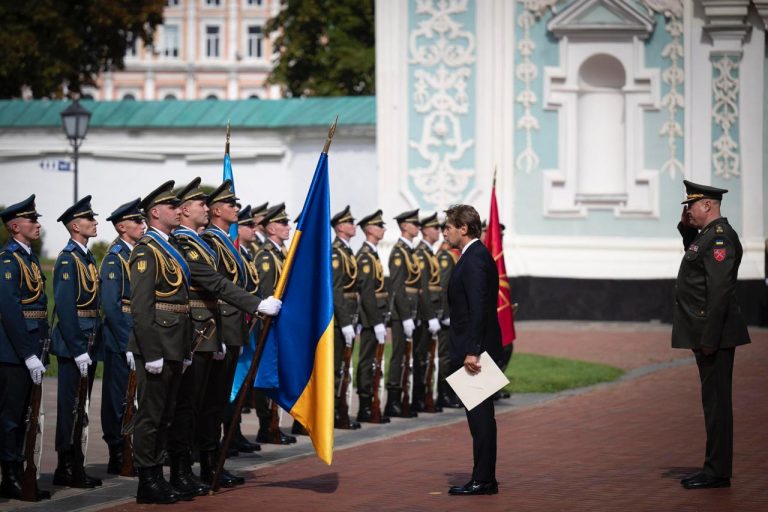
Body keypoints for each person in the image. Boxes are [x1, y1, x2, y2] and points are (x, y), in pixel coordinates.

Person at [674, 180, 750, 490]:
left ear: (707, 205)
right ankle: (713, 467)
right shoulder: (706, 237)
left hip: (714, 336)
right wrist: (686, 230)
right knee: (712, 403)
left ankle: (718, 472)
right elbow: (696, 262)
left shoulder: (720, 240)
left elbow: (718, 293)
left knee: (717, 403)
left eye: (690, 205)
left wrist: (709, 337)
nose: (687, 210)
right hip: (707, 333)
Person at [129, 180, 191, 504]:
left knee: (166, 414)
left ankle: (159, 476)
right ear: (155, 212)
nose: (179, 210)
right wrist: (151, 351)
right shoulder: (146, 251)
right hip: (156, 345)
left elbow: (181, 303)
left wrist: (186, 346)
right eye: (172, 206)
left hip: (176, 343)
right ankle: (147, 480)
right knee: (151, 416)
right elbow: (141, 308)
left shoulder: (173, 247)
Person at [443, 204, 502, 496]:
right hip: (473, 347)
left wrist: (473, 351)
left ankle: (483, 479)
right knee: (479, 416)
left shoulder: (475, 259)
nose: (445, 232)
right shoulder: (472, 256)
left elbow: (479, 309)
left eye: (449, 227)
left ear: (463, 229)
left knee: (480, 417)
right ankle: (484, 476)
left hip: (475, 353)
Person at [0, 195, 51, 501]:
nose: (38, 224)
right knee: (10, 417)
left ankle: (18, 473)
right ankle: (9, 475)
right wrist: (27, 353)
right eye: (32, 220)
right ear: (15, 226)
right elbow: (10, 310)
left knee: (25, 416)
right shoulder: (8, 260)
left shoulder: (28, 257)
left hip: (32, 347)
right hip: (12, 352)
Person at [51, 195, 103, 489]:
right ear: (74, 225)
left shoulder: (87, 256)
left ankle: (76, 463)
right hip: (75, 345)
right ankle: (65, 465)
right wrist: (77, 349)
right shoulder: (67, 259)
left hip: (89, 341)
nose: (95, 222)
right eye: (89, 219)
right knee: (70, 405)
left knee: (80, 406)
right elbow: (66, 308)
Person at [99, 198, 145, 475]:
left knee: (133, 398)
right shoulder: (115, 257)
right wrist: (128, 342)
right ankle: (117, 452)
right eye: (136, 221)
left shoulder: (135, 253)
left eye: (142, 220)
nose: (142, 225)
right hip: (120, 339)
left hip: (136, 335)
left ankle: (130, 448)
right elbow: (113, 306)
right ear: (121, 226)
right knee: (117, 398)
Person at [253, 203, 298, 443]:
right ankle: (266, 425)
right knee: (268, 372)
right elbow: (267, 293)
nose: (287, 227)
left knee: (277, 371)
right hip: (268, 323)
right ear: (270, 227)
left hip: (281, 323)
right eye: (282, 223)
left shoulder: (279, 253)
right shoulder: (267, 256)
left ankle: (274, 424)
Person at [384, 209, 421, 418]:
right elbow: (397, 287)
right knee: (399, 356)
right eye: (414, 224)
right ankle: (393, 400)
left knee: (408, 357)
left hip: (411, 310)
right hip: (401, 313)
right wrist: (406, 316)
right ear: (405, 226)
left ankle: (403, 398)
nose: (418, 227)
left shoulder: (410, 251)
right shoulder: (399, 252)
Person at [354, 210, 390, 423]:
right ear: (369, 230)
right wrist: (376, 322)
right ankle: (365, 406)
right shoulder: (365, 256)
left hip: (376, 314)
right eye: (379, 225)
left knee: (373, 361)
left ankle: (370, 404)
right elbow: (367, 293)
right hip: (370, 317)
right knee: (367, 361)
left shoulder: (372, 253)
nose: (383, 229)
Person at [330, 206, 361, 429]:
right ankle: (332, 412)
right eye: (350, 222)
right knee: (335, 367)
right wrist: (345, 322)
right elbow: (336, 290)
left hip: (350, 313)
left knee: (343, 366)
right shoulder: (336, 252)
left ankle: (340, 411)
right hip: (340, 318)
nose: (354, 225)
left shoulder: (347, 251)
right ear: (340, 227)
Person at [412, 213, 443, 412]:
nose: (439, 231)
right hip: (424, 313)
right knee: (420, 356)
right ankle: (418, 398)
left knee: (426, 357)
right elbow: (423, 288)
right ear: (425, 230)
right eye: (435, 228)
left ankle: (423, 397)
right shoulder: (422, 253)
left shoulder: (429, 252)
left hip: (430, 312)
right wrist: (430, 316)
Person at [436, 227, 461, 409]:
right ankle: (444, 394)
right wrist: (445, 314)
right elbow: (444, 288)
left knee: (454, 355)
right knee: (445, 356)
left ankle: (452, 393)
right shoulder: (446, 257)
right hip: (448, 315)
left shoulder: (455, 255)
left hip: (455, 314)